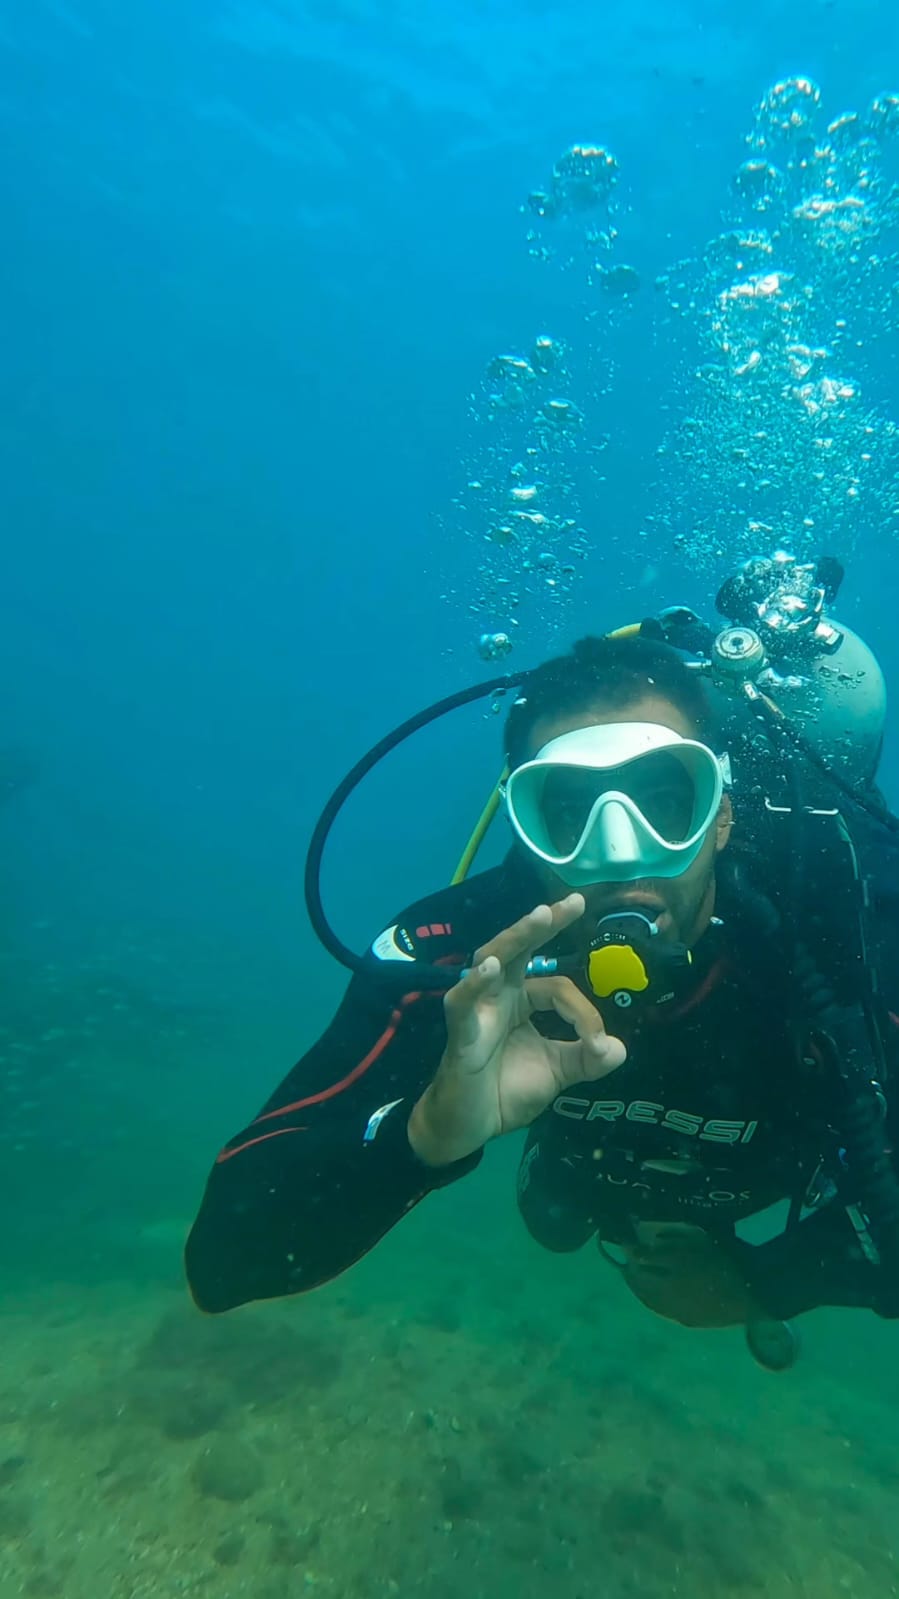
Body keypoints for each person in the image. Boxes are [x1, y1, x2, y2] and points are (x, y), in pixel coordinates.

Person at [185, 624, 899, 1364]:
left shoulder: (849, 923)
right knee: (553, 1221)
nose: (620, 850)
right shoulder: (465, 954)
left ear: (721, 814)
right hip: (595, 1170)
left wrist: (769, 1281)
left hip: (778, 1171)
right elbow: (223, 1263)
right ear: (525, 832)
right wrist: (421, 1136)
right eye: (566, 812)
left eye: (665, 798)